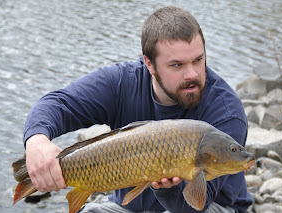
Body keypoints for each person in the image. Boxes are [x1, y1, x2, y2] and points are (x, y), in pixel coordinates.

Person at [23, 6, 252, 213]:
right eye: (177, 65)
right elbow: (58, 103)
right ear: (149, 63)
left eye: (198, 60)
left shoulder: (226, 111)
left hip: (209, 208)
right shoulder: (122, 82)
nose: (192, 73)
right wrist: (36, 141)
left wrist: (167, 190)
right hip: (128, 208)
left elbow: (196, 206)